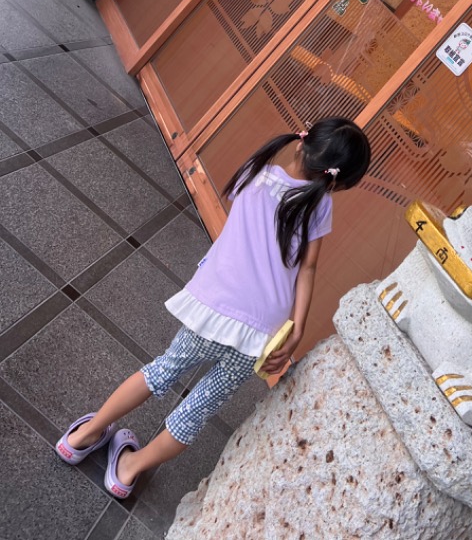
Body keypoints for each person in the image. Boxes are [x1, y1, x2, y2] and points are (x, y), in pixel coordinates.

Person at [54, 117, 371, 499]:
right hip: (260, 332)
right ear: (335, 180)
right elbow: (309, 267)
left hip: (217, 306)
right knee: (200, 409)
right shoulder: (318, 206)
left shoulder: (257, 171)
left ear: (302, 143)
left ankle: (82, 438)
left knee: (162, 370)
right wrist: (297, 327)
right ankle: (127, 471)